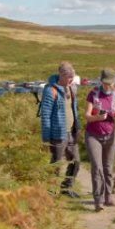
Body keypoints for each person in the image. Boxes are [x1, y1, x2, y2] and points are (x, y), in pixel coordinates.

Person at [84, 68, 115, 211]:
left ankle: (108, 196)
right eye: (105, 83)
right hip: (93, 135)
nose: (107, 86)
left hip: (110, 135)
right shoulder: (93, 94)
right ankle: (98, 200)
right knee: (97, 167)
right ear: (101, 81)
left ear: (114, 82)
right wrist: (97, 117)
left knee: (108, 167)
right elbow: (87, 116)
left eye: (110, 83)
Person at [40, 61, 81, 198]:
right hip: (57, 134)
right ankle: (51, 192)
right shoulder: (50, 90)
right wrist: (46, 138)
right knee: (56, 164)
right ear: (62, 76)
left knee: (76, 161)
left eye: (72, 78)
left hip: (72, 132)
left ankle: (66, 187)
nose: (71, 80)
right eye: (69, 78)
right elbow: (45, 114)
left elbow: (74, 109)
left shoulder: (72, 88)